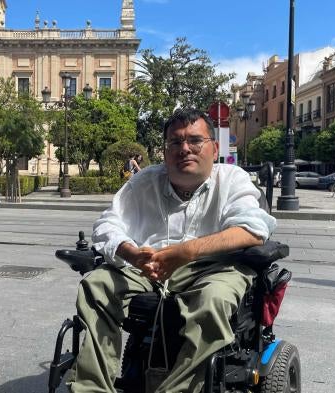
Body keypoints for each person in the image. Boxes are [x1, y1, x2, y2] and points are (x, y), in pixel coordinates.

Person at [67, 108, 276, 393]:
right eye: (175, 143)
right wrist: (130, 252)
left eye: (194, 140)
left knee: (214, 299)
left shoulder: (232, 180)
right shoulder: (144, 181)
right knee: (97, 284)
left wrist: (187, 251)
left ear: (214, 149)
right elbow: (107, 223)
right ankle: (93, 389)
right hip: (150, 266)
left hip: (212, 268)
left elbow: (252, 229)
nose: (184, 149)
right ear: (165, 152)